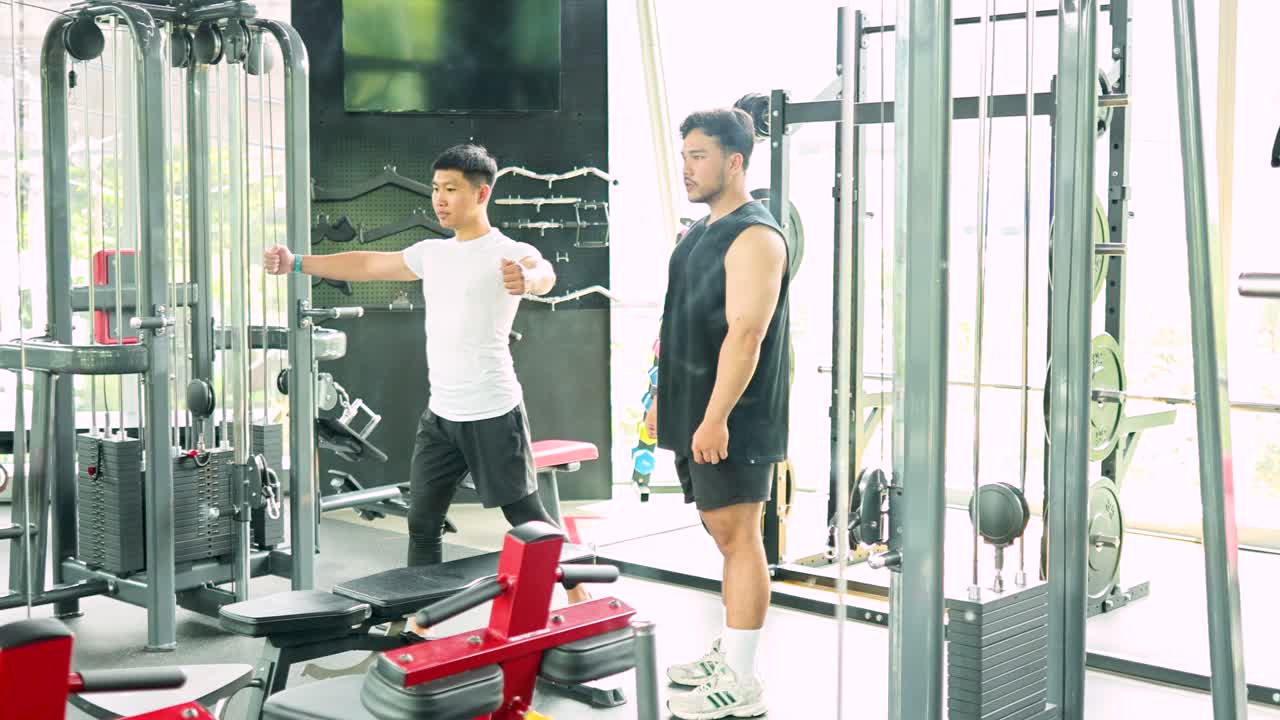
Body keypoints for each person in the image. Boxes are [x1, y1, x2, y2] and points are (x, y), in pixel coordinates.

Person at [263, 143, 590, 610]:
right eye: (436, 189)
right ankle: (420, 620)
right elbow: (367, 263)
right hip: (441, 417)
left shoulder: (509, 252)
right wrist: (297, 262)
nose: (440, 199)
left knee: (526, 520)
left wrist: (528, 280)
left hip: (493, 413)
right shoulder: (432, 253)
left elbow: (544, 273)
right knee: (422, 522)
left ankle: (583, 594)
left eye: (451, 189)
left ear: (482, 194)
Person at [648, 107, 790, 719]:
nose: (686, 168)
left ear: (735, 162)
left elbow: (747, 334)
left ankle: (744, 679)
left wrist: (715, 418)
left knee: (740, 537)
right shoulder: (700, 230)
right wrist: (662, 400)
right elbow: (677, 321)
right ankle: (731, 649)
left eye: (698, 156)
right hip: (696, 407)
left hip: (735, 415)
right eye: (683, 156)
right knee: (721, 531)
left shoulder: (756, 236)